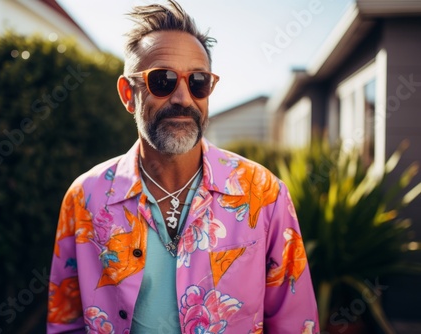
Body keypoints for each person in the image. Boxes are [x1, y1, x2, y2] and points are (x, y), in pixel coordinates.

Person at [47, 1, 319, 333]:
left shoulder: (264, 193)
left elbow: (296, 323)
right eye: (163, 80)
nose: (183, 98)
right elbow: (66, 323)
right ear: (128, 94)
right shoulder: (84, 199)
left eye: (198, 81)